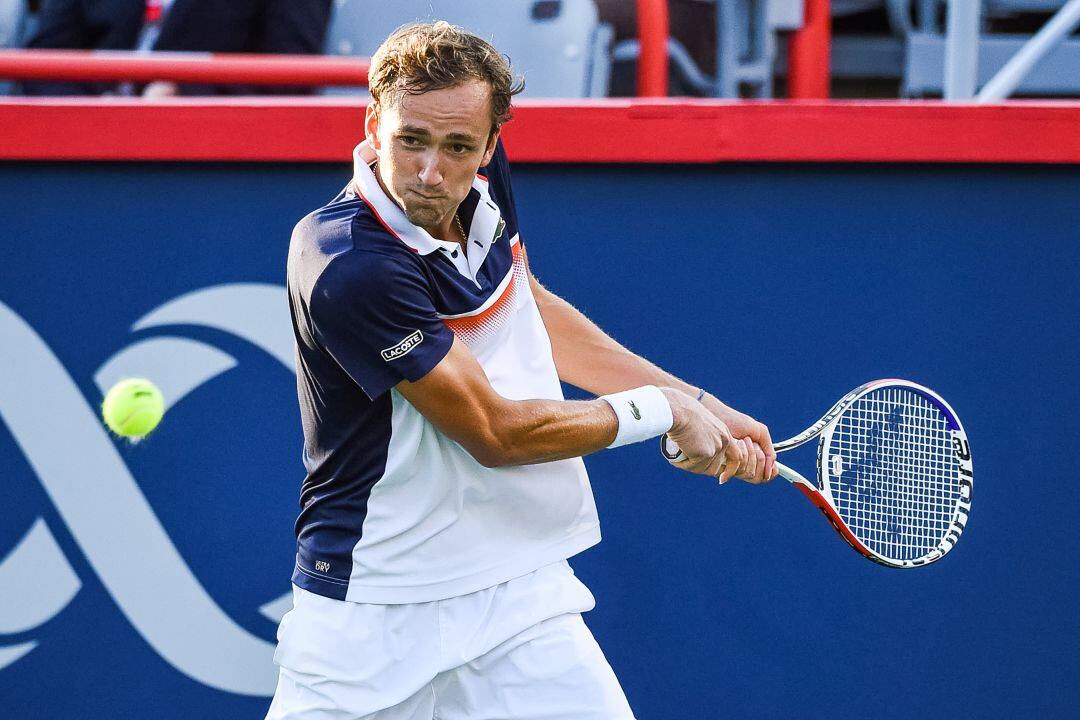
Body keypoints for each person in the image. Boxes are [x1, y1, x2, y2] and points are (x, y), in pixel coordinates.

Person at [268, 21, 777, 720]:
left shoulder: (478, 188)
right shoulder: (346, 262)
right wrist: (660, 411)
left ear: (490, 146)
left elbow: (524, 303)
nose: (429, 172)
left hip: (516, 593)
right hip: (374, 612)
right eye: (410, 139)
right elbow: (494, 432)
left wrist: (697, 401)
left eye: (457, 149)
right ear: (372, 122)